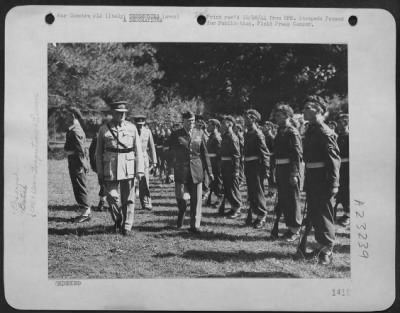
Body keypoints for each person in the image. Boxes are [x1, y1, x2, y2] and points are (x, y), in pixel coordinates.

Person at [96, 101, 145, 236]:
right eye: (118, 112)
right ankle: (118, 219)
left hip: (128, 166)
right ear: (112, 113)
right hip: (110, 167)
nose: (121, 115)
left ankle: (127, 226)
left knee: (129, 199)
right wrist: (100, 171)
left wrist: (139, 170)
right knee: (112, 197)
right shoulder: (104, 129)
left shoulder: (132, 128)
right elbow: (98, 153)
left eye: (123, 113)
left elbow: (138, 151)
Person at [302, 95, 341, 265]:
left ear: (318, 110)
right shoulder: (311, 129)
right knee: (315, 213)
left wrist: (333, 184)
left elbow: (334, 160)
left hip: (322, 179)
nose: (304, 110)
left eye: (307, 107)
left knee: (324, 214)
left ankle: (327, 250)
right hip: (312, 176)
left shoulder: (324, 131)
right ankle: (321, 245)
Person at [169, 111, 213, 232]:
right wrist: (171, 172)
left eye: (193, 121)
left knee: (196, 199)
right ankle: (182, 211)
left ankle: (194, 225)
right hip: (181, 170)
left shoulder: (199, 132)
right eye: (188, 121)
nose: (191, 123)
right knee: (181, 197)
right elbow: (170, 154)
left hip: (196, 170)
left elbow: (204, 153)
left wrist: (210, 171)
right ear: (183, 121)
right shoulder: (176, 134)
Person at [272, 104, 303, 241]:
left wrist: (294, 174)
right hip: (280, 169)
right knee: (284, 199)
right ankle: (290, 227)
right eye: (276, 116)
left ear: (287, 116)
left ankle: (295, 229)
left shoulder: (292, 132)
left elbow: (296, 155)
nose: (276, 118)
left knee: (292, 199)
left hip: (289, 169)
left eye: (279, 116)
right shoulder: (280, 131)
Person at [243, 109, 271, 228]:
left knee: (258, 192)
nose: (245, 120)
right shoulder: (248, 132)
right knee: (252, 192)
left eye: (247, 118)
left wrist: (266, 170)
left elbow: (264, 153)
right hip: (249, 165)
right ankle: (256, 214)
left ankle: (262, 215)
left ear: (254, 119)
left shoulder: (257, 133)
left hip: (256, 166)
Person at [64, 107, 91, 223]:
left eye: (67, 115)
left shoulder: (76, 131)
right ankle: (85, 211)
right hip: (75, 161)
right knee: (78, 186)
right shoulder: (74, 129)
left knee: (80, 186)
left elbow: (81, 150)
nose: (65, 117)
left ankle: (85, 212)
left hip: (77, 163)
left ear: (73, 116)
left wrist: (82, 166)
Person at [89, 109, 113, 211]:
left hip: (105, 163)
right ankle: (103, 203)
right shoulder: (100, 136)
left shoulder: (97, 136)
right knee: (106, 184)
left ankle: (104, 202)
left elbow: (91, 152)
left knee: (105, 184)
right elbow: (93, 152)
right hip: (104, 163)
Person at [219, 115, 242, 218]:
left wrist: (236, 170)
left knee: (233, 188)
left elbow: (236, 155)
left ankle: (237, 208)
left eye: (223, 123)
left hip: (231, 166)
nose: (221, 125)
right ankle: (233, 208)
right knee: (227, 188)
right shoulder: (225, 136)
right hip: (225, 165)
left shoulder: (232, 137)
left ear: (230, 124)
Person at [134, 114, 157, 210]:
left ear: (144, 123)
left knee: (145, 182)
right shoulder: (131, 131)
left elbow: (152, 147)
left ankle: (146, 202)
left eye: (141, 123)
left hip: (144, 159)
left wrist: (154, 161)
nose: (140, 125)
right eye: (138, 124)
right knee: (130, 182)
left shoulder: (147, 132)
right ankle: (129, 202)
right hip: (132, 158)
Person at [335, 113, 350, 226]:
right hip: (338, 168)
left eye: (340, 123)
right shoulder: (338, 137)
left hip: (347, 169)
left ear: (346, 123)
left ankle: (347, 215)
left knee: (346, 191)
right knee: (338, 191)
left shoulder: (351, 137)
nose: (337, 125)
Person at [206, 118, 224, 208]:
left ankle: (219, 198)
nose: (207, 127)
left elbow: (219, 153)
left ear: (215, 126)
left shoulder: (217, 137)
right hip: (211, 162)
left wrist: (219, 166)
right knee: (213, 181)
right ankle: (212, 198)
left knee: (217, 181)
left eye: (209, 125)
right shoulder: (211, 136)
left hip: (216, 163)